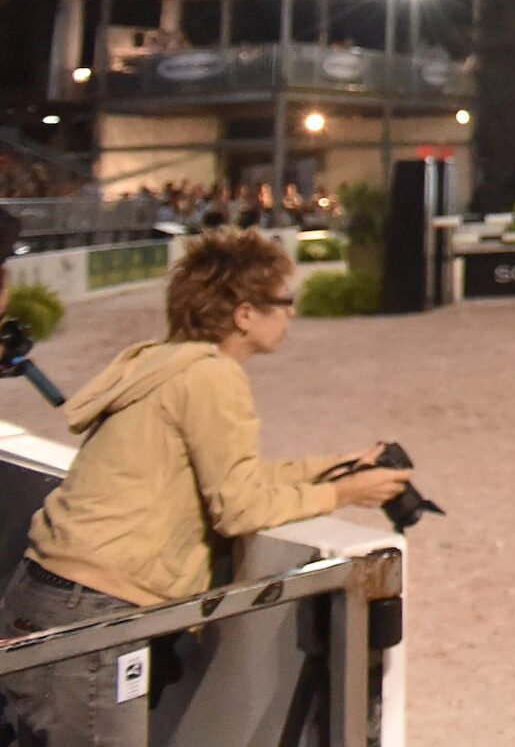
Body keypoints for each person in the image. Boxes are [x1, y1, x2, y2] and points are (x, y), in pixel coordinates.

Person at [0, 230, 410, 745]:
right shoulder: (213, 377)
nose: (291, 313)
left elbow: (232, 474)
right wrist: (346, 495)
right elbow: (240, 508)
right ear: (245, 314)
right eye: (284, 301)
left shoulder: (161, 364)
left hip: (46, 596)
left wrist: (336, 467)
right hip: (98, 614)